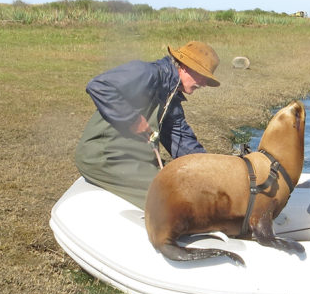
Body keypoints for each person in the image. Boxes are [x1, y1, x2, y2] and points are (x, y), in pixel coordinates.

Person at [74, 41, 221, 208]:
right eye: (202, 76)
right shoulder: (147, 72)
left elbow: (182, 141)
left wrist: (212, 169)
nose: (203, 84)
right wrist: (132, 120)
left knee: (187, 183)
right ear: (185, 67)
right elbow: (99, 86)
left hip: (132, 158)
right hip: (105, 157)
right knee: (175, 196)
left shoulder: (171, 96)